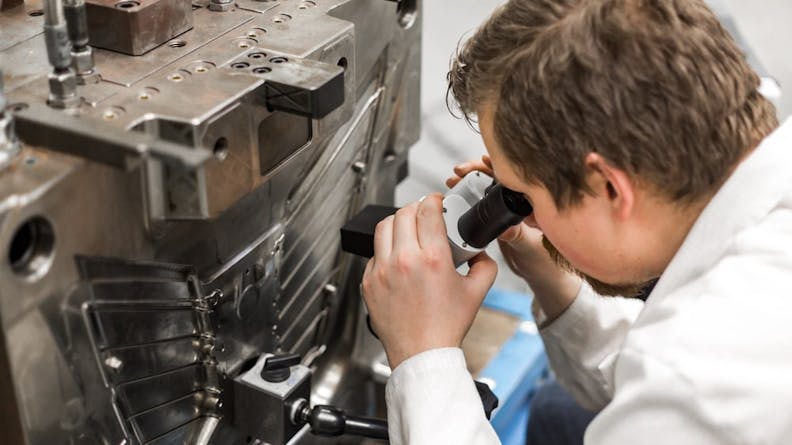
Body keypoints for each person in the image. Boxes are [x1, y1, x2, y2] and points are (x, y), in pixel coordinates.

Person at [360, 0, 792, 443]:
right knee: (556, 412)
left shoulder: (697, 387)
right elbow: (645, 370)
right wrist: (553, 272)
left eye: (524, 197)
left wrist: (424, 355)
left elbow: (674, 383)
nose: (529, 219)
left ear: (609, 189)